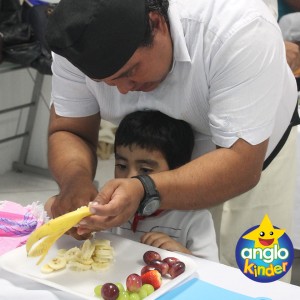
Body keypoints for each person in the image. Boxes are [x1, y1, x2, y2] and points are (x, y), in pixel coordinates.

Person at [44, 0, 299, 276]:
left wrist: (144, 189)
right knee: (156, 274)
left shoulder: (238, 29)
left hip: (255, 162)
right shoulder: (77, 40)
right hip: (152, 170)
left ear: (157, 24)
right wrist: (75, 183)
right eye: (106, 82)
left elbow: (241, 164)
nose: (123, 91)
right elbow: (70, 129)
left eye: (130, 72)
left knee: (253, 279)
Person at [111, 110, 218, 261]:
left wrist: (181, 255)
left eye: (145, 170)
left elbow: (211, 274)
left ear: (177, 172)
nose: (129, 179)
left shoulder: (194, 218)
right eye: (121, 166)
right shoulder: (112, 209)